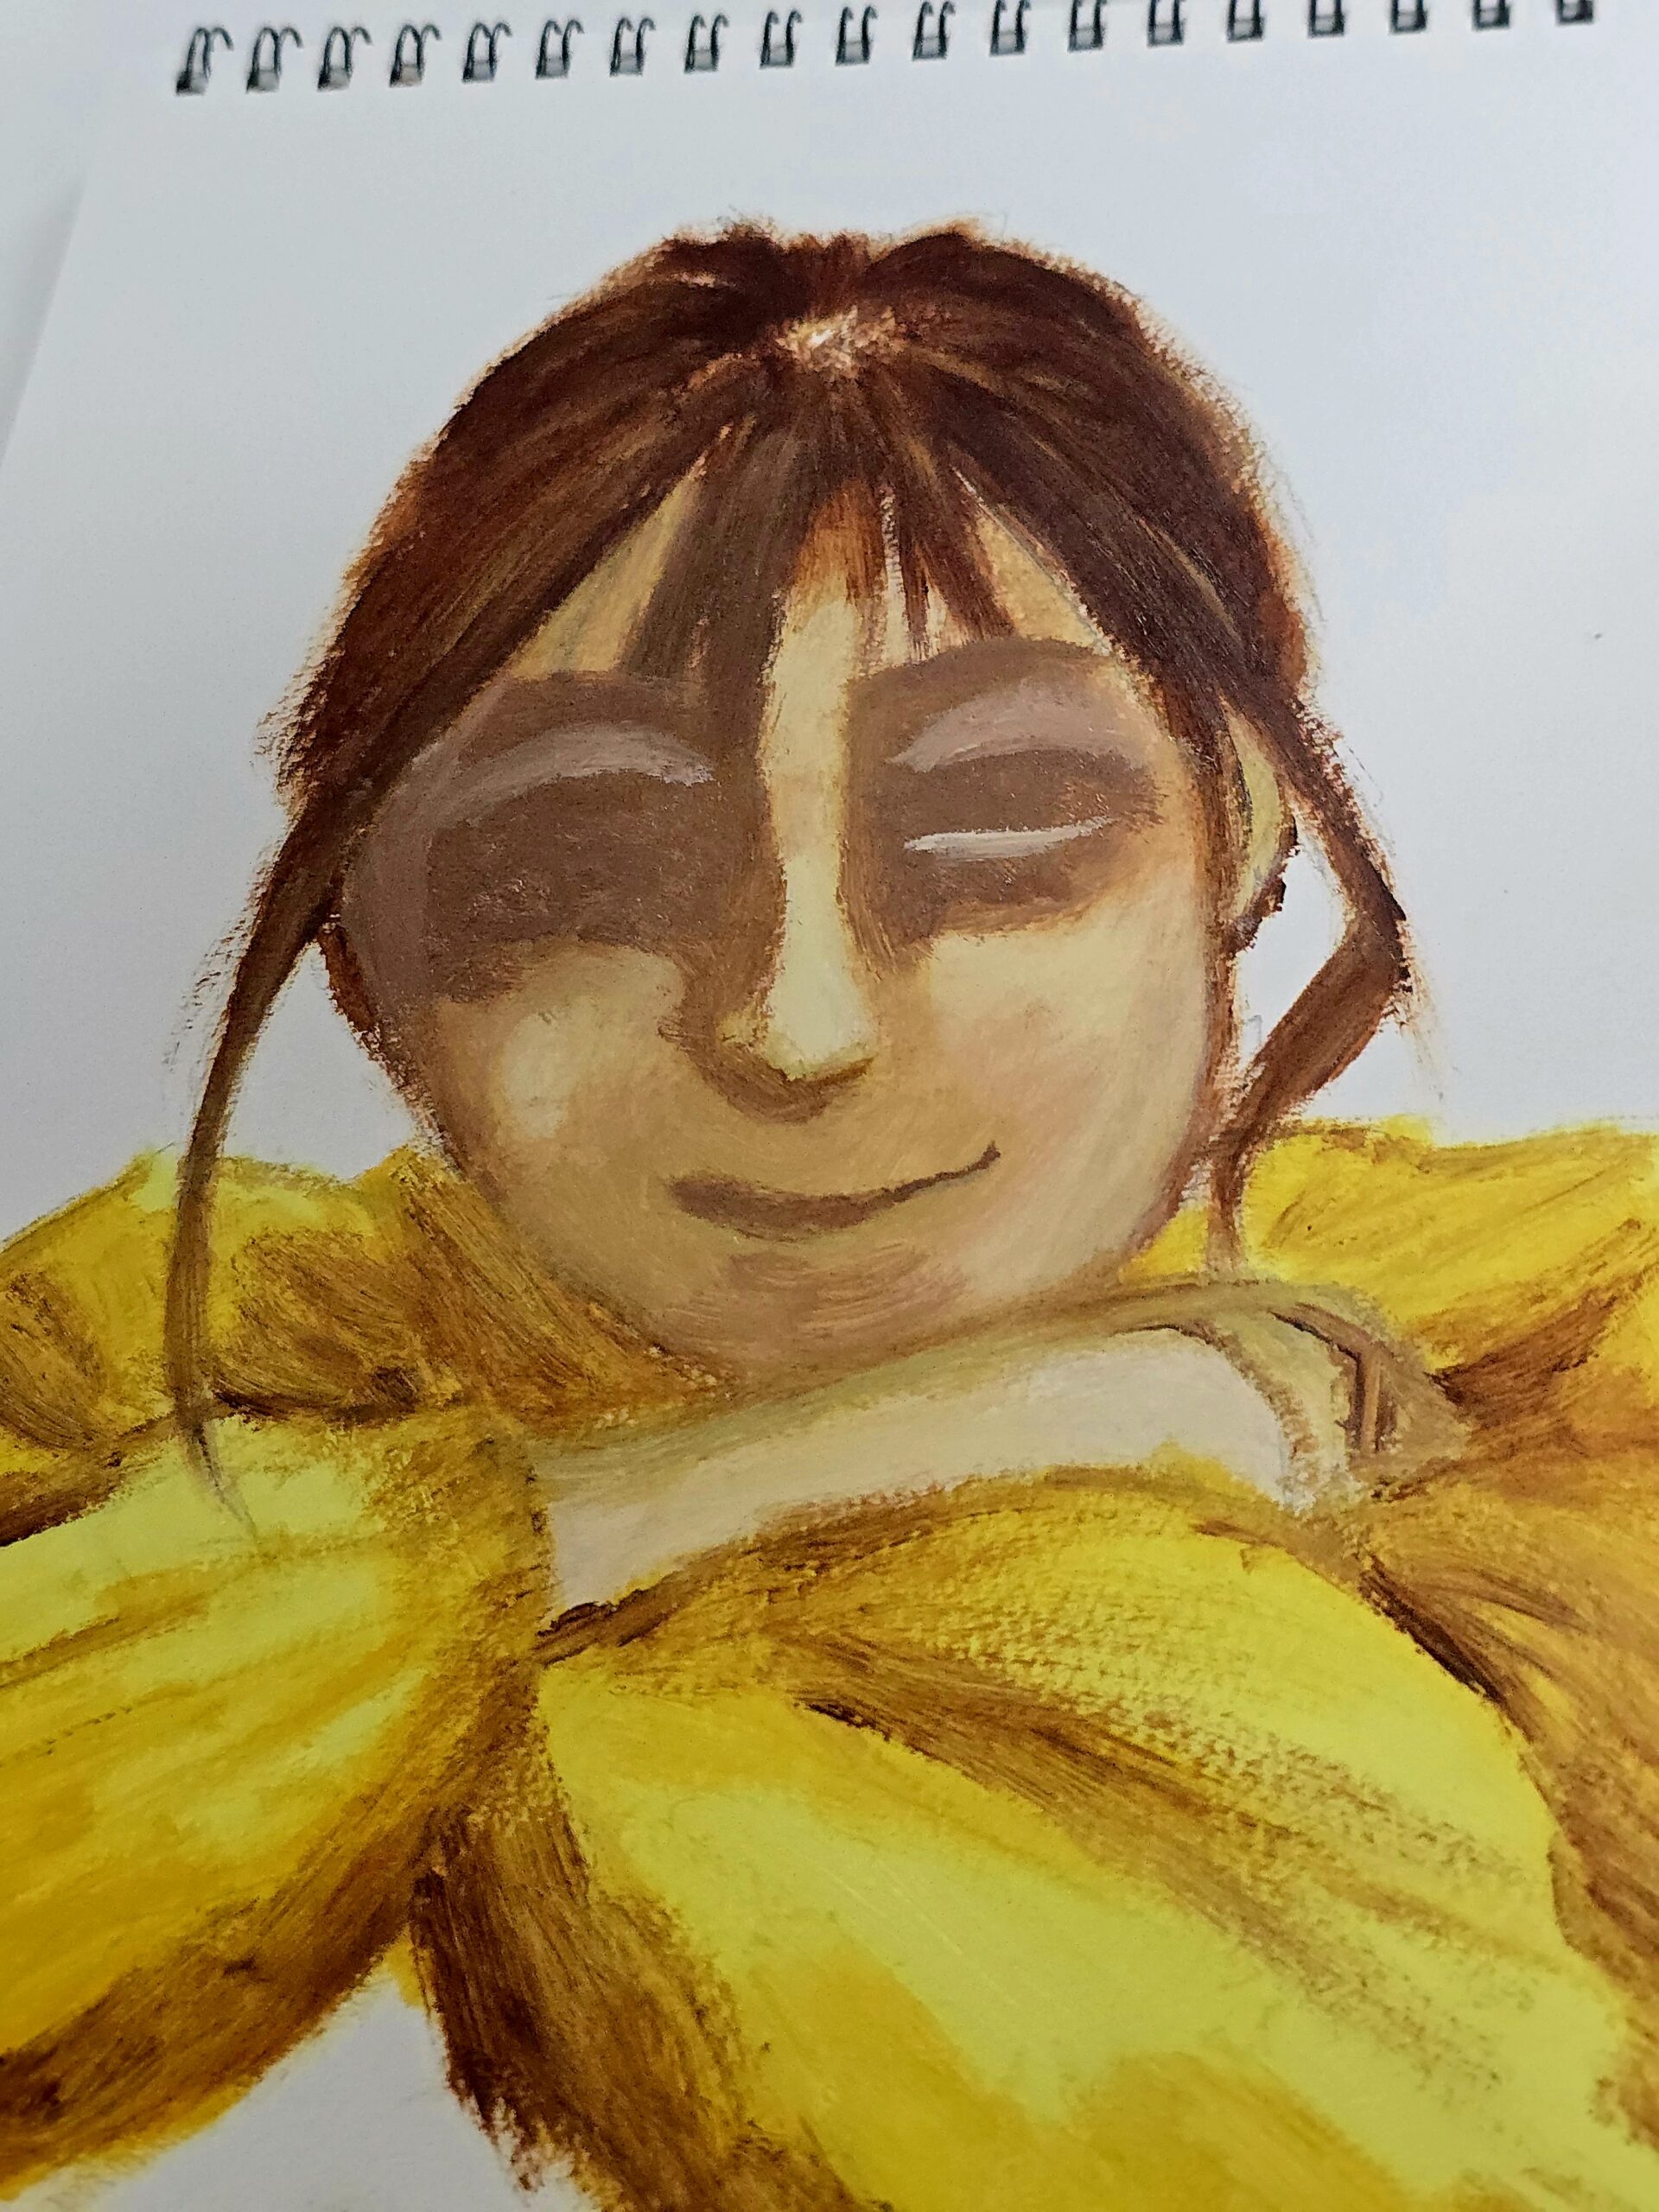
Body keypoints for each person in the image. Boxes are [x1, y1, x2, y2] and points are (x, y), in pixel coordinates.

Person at [3, 225, 1658, 2211]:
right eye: (590, 852)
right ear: (372, 937)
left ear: (1239, 826)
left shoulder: (1542, 1299)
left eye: (998, 821)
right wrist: (733, 1484)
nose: (797, 1024)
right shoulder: (205, 1363)